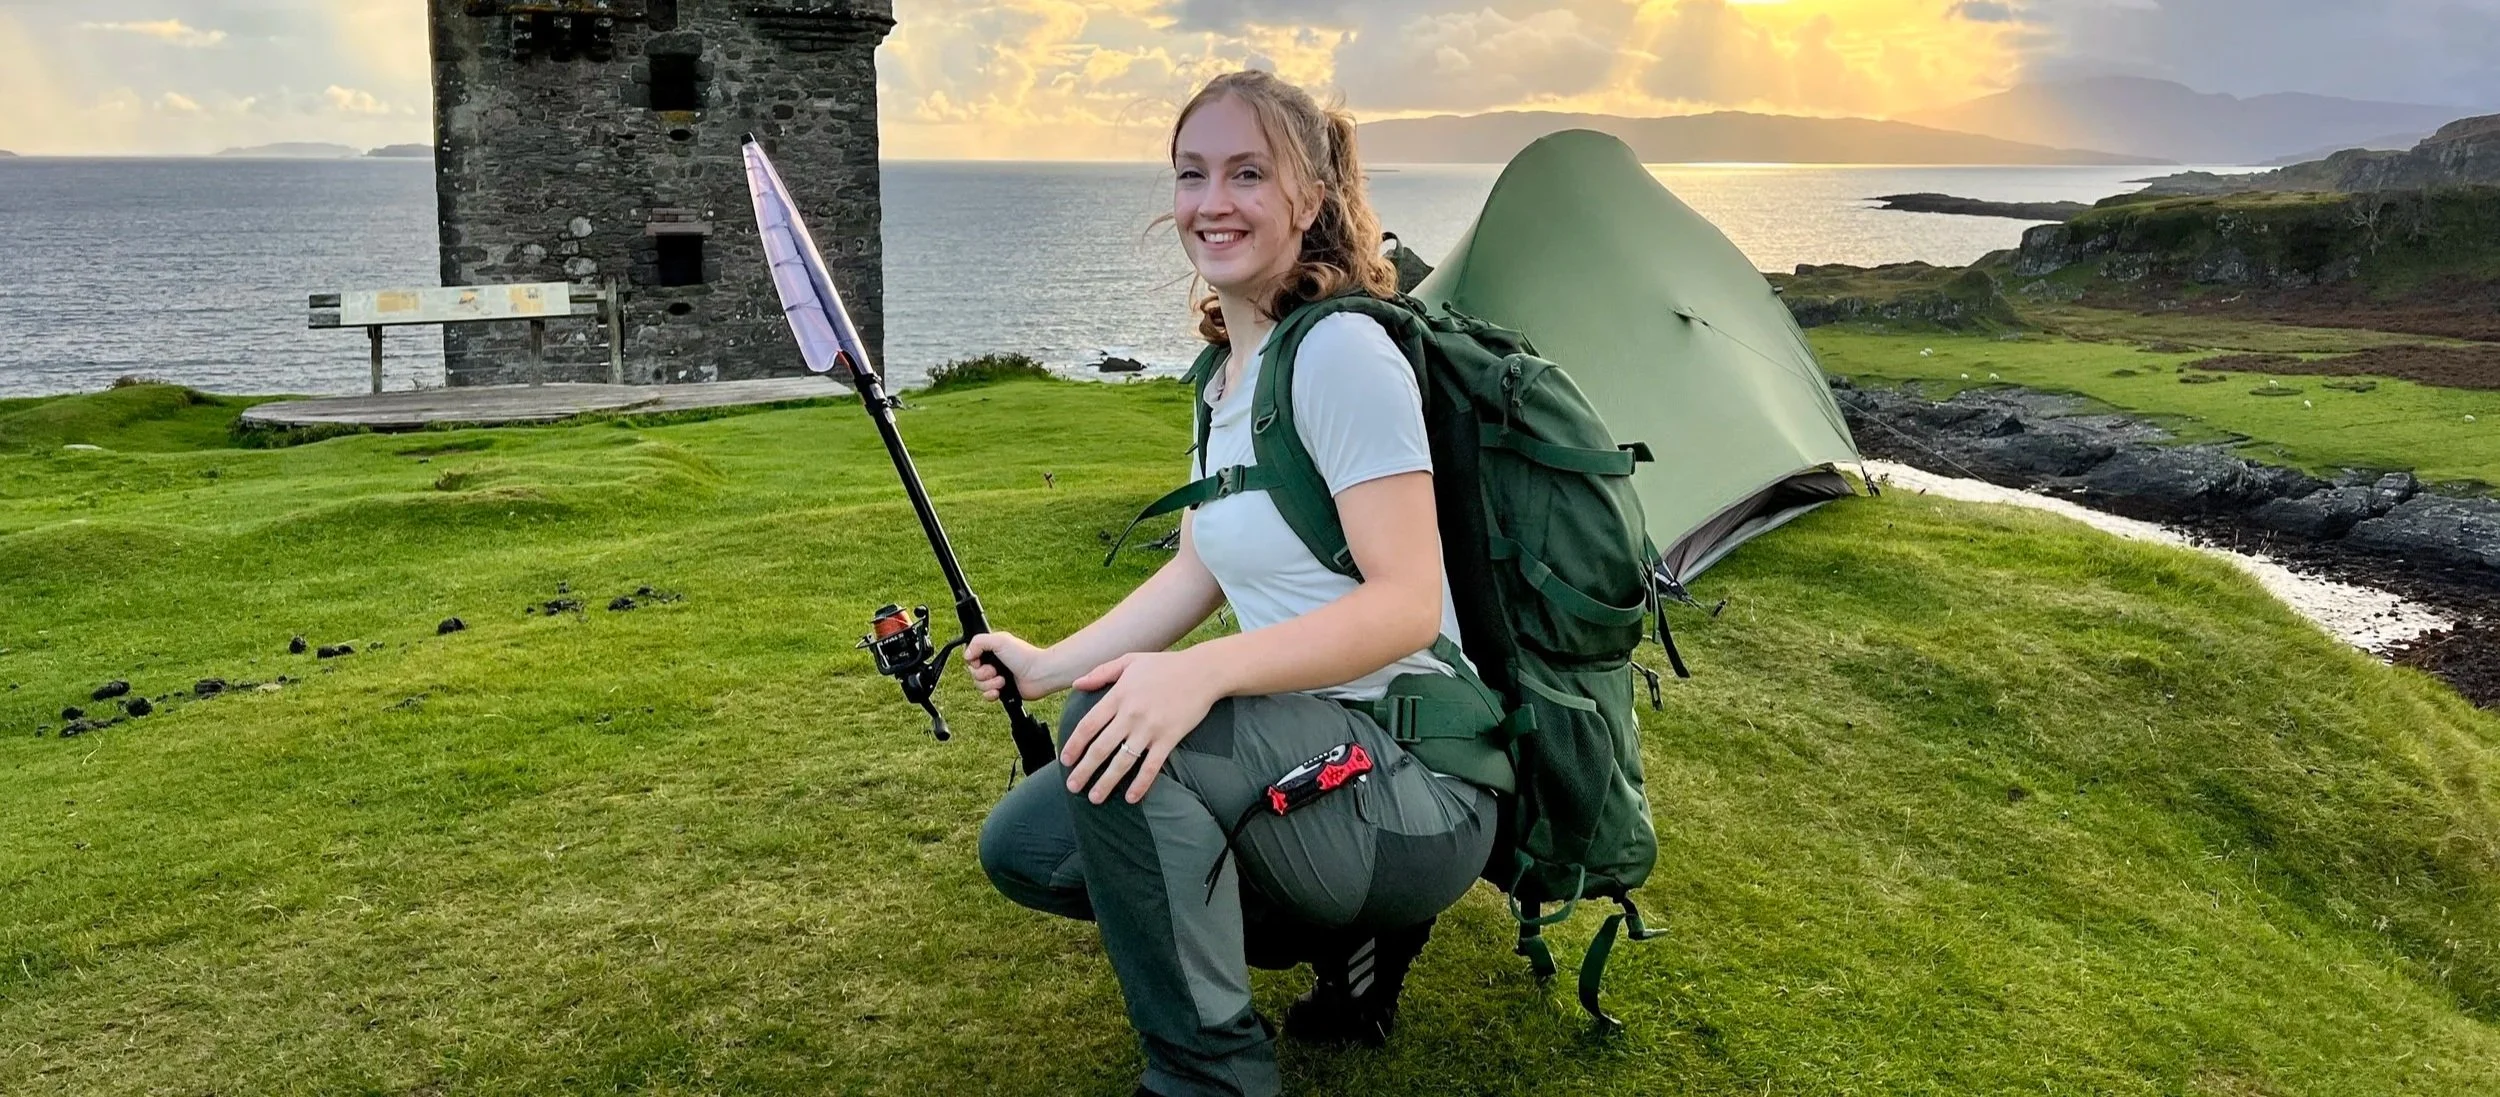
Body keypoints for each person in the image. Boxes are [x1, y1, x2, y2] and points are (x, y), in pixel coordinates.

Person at [963, 70, 1501, 1097]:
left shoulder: (1342, 351)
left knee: (1121, 731)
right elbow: (1197, 568)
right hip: (1313, 767)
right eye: (1191, 173)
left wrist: (1197, 678)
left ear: (1310, 199)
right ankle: (1349, 943)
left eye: (1248, 173)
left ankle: (1211, 1074)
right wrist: (1046, 663)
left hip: (1418, 779)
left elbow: (1401, 604)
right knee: (1028, 844)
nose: (1213, 201)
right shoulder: (1222, 381)